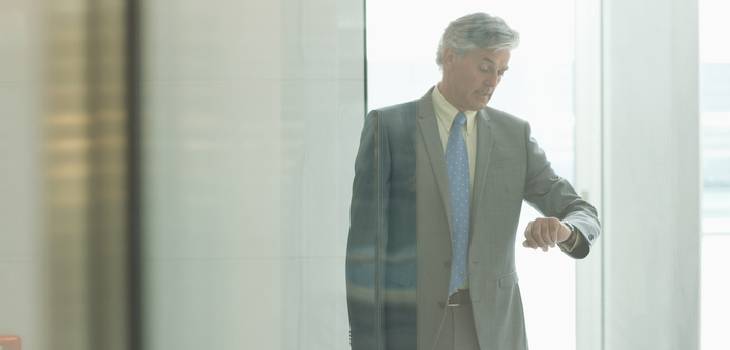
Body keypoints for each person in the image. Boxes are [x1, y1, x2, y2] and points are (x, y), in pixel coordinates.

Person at [345, 12, 601, 350]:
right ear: (451, 56)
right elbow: (365, 251)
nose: (493, 81)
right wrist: (366, 343)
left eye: (501, 72)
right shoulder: (388, 128)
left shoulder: (514, 136)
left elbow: (580, 210)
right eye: (485, 67)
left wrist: (564, 231)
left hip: (494, 332)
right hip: (411, 331)